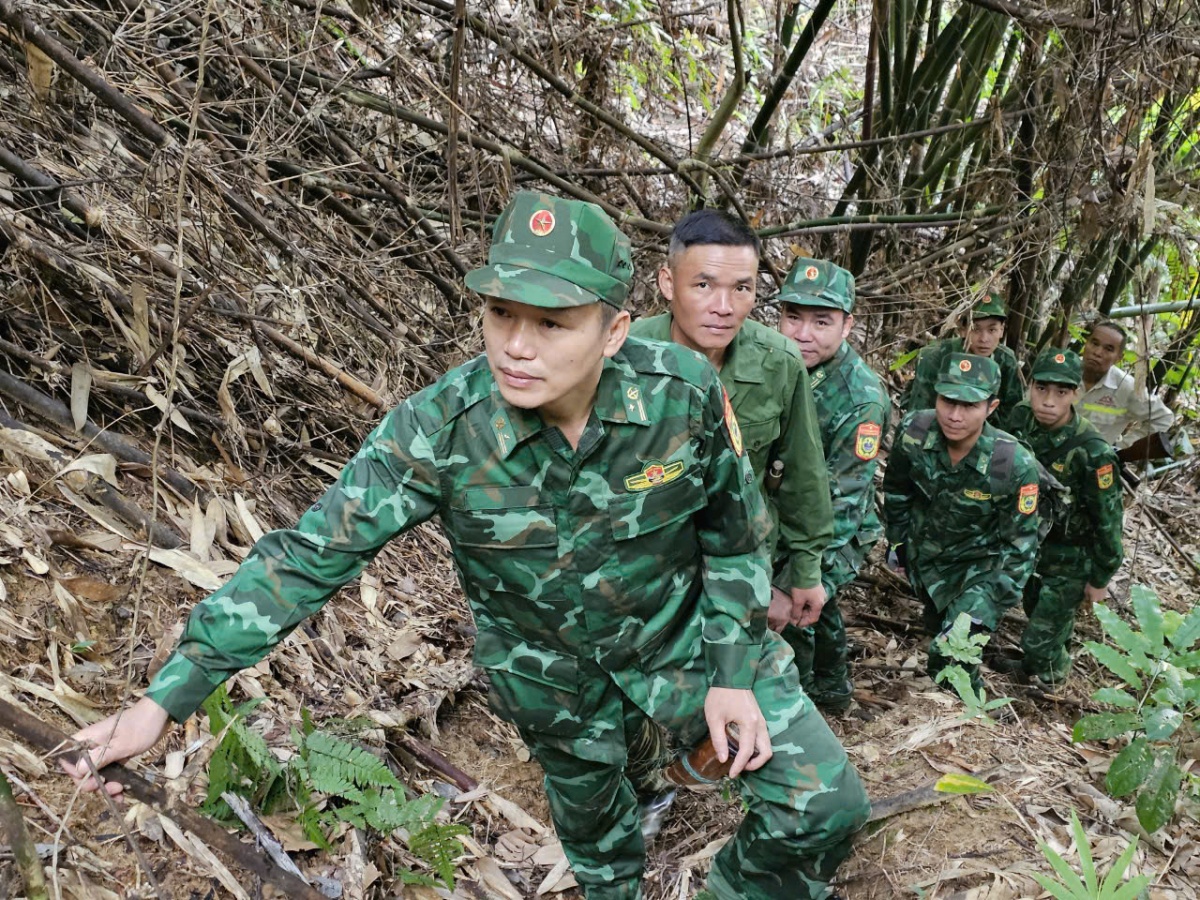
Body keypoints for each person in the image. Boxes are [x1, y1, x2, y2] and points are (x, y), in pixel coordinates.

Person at [63, 193, 869, 900]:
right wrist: (163, 700)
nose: (517, 345)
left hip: (688, 643)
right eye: (500, 315)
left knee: (826, 805)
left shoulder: (681, 393)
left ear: (615, 329)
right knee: (607, 864)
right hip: (553, 683)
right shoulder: (441, 429)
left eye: (552, 323)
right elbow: (307, 556)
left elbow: (735, 537)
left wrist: (732, 674)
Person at [629, 209, 833, 634]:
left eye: (742, 288)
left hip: (737, 569)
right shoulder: (623, 356)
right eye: (703, 285)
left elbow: (801, 473)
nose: (723, 307)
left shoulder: (778, 364)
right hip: (640, 570)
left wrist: (804, 572)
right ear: (668, 282)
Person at [882, 353, 1041, 687]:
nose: (954, 415)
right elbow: (897, 489)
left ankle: (977, 718)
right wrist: (897, 541)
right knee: (938, 633)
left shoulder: (1011, 463)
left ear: (992, 407)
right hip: (927, 564)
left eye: (969, 406)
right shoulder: (914, 431)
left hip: (980, 571)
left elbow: (1021, 546)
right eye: (947, 401)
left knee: (952, 651)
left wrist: (987, 605)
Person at [775, 257, 889, 713]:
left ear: (847, 326)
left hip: (837, 528)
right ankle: (834, 690)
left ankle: (795, 709)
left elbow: (842, 501)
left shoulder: (860, 398)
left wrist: (796, 582)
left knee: (798, 609)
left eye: (821, 321)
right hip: (783, 512)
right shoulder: (772, 358)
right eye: (793, 317)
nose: (803, 333)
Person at [1005, 349, 1124, 686]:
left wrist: (1100, 578)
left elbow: (1109, 521)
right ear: (1030, 386)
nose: (1048, 401)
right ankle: (1041, 661)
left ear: (1075, 394)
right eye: (1041, 389)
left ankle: (1052, 679)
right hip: (1031, 544)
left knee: (1039, 639)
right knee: (1034, 611)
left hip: (1072, 557)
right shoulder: (1019, 419)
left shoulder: (1093, 453)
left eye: (1061, 392)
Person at [902, 292, 1025, 430]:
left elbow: (1011, 415)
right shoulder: (936, 357)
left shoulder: (1005, 360)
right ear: (963, 330)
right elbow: (919, 412)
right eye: (975, 329)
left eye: (992, 330)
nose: (984, 339)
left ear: (1001, 330)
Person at [1078, 320, 1175, 450]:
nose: (1097, 352)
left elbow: (1163, 418)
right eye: (1094, 343)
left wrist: (1122, 448)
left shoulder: (1126, 387)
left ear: (1119, 357)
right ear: (1086, 343)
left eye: (1108, 349)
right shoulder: (1060, 371)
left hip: (1089, 462)